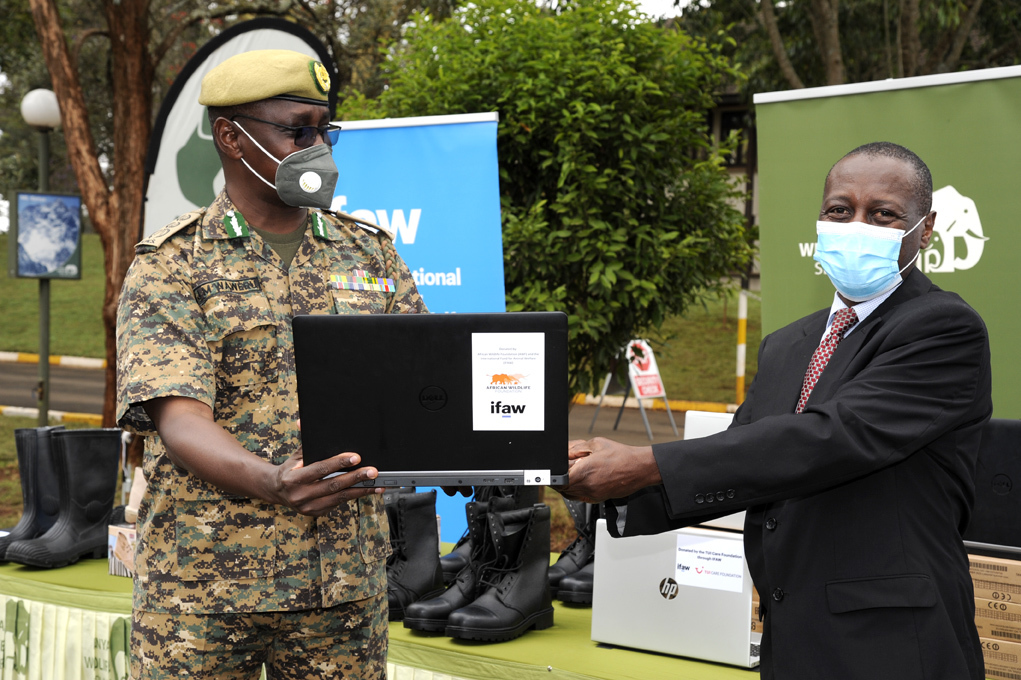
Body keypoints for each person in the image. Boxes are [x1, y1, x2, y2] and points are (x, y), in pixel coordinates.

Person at [559, 142, 991, 680]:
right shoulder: (791, 343)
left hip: (895, 644)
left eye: (883, 214)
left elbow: (828, 439)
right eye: (840, 210)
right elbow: (746, 461)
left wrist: (643, 463)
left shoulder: (944, 329)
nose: (856, 224)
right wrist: (580, 478)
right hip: (792, 639)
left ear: (925, 230)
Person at [116, 49, 426, 679]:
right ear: (231, 137)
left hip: (341, 590)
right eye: (298, 130)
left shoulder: (371, 255)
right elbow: (179, 420)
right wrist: (273, 482)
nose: (318, 147)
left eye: (324, 129)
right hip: (202, 592)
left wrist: (470, 444)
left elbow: (422, 388)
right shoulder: (171, 264)